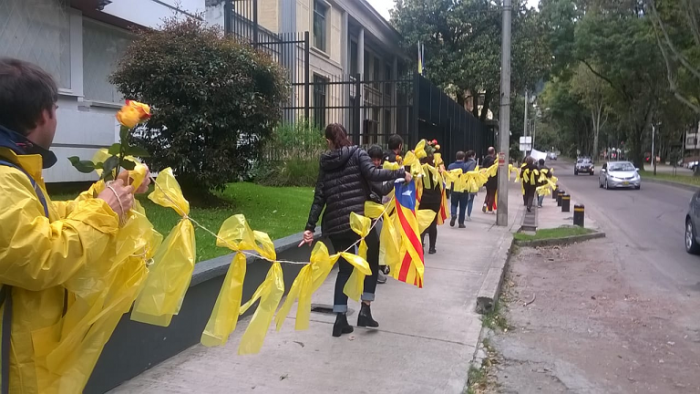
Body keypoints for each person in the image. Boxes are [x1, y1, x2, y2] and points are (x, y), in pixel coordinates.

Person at [0, 58, 150, 393]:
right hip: (10, 365)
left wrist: (105, 194)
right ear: (43, 115)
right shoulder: (3, 179)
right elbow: (39, 256)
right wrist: (102, 212)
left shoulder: (12, 170)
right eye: (55, 108)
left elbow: (47, 217)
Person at [300, 124, 409, 337]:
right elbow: (374, 175)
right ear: (346, 137)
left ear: (329, 141)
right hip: (359, 222)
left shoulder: (326, 162)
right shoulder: (358, 153)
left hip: (335, 224)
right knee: (371, 259)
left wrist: (309, 227)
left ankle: (340, 319)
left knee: (345, 268)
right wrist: (400, 172)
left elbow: (319, 197)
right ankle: (365, 310)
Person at [367, 145, 394, 284]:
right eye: (374, 159)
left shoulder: (376, 171)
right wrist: (395, 178)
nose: (376, 162)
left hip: (376, 211)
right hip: (370, 214)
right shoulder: (370, 173)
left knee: (378, 242)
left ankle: (378, 269)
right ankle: (374, 272)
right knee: (375, 243)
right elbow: (382, 190)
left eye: (378, 159)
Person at [419, 152, 442, 254]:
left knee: (422, 222)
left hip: (423, 199)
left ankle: (421, 246)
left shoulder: (419, 170)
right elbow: (442, 185)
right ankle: (432, 247)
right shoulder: (437, 171)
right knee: (433, 223)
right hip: (435, 199)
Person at [447, 151, 470, 228]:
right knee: (463, 206)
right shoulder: (466, 166)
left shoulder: (450, 166)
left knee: (454, 204)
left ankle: (453, 214)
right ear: (463, 158)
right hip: (464, 189)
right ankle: (461, 223)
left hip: (454, 188)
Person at [463, 150, 478, 221]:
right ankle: (468, 215)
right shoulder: (474, 162)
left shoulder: (464, 161)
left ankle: (462, 214)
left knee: (464, 199)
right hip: (472, 182)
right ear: (473, 155)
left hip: (464, 181)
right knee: (471, 200)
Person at [482, 147, 497, 213]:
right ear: (493, 152)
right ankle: (490, 209)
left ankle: (485, 204)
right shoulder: (494, 160)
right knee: (492, 194)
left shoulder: (485, 159)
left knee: (488, 193)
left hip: (486, 178)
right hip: (493, 179)